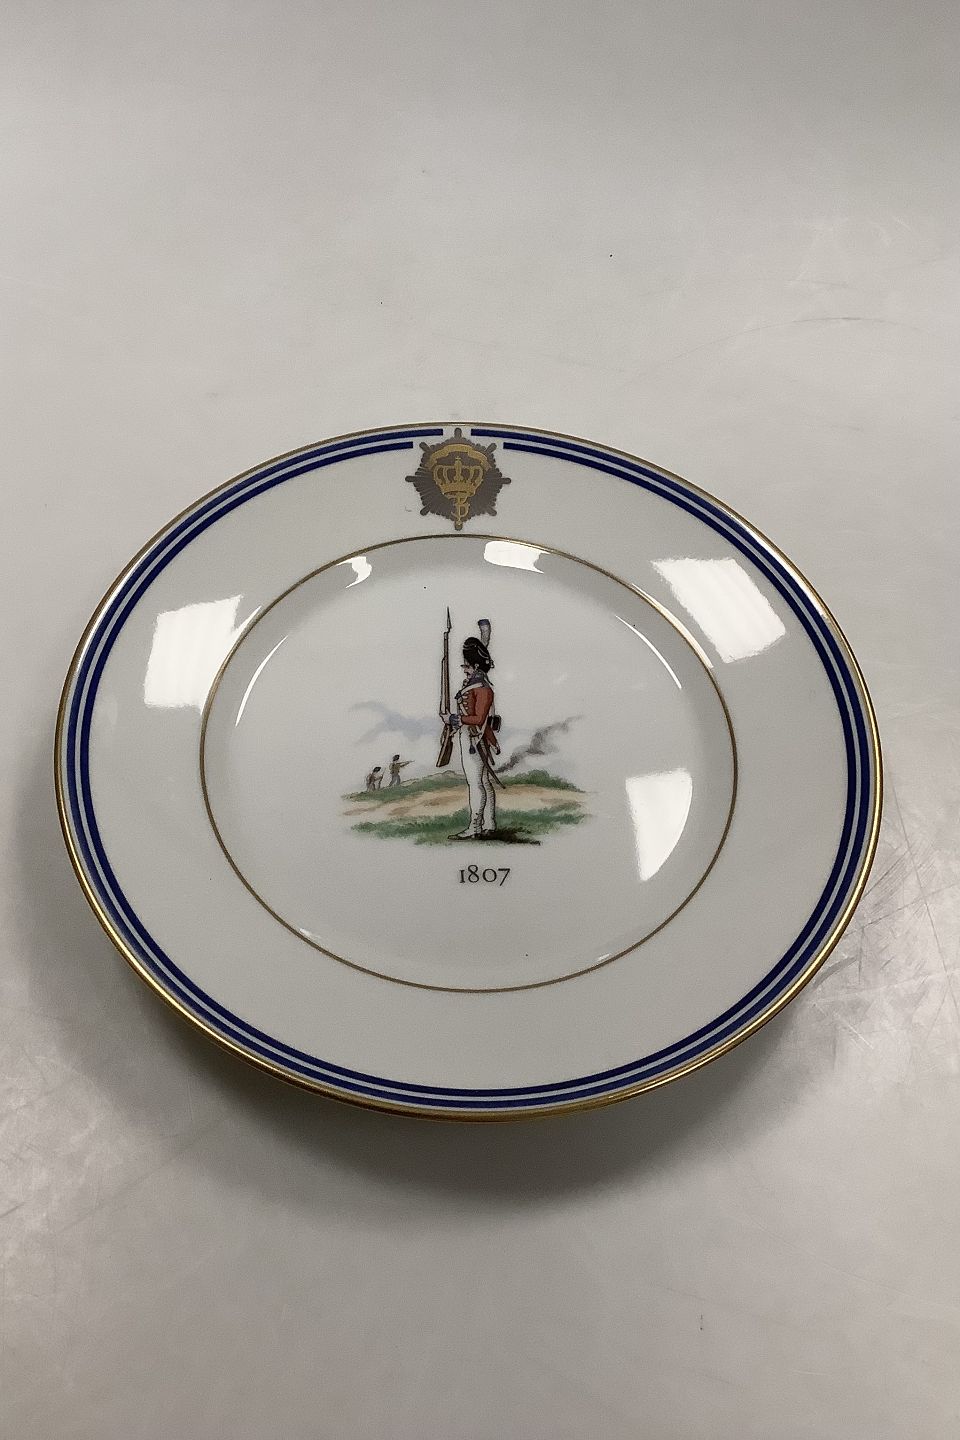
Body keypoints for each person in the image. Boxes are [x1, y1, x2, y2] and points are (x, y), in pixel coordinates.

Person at [446, 619, 500, 838]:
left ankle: (475, 827)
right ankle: (489, 825)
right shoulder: (476, 684)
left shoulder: (483, 688)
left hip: (475, 738)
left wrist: (453, 719)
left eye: (467, 665)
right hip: (471, 736)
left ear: (475, 666)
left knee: (476, 783)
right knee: (483, 781)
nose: (464, 668)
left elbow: (478, 718)